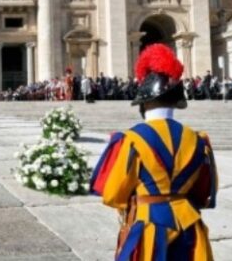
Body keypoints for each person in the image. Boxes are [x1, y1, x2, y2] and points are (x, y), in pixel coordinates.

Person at [90, 44, 218, 261]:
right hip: (189, 224)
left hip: (149, 227)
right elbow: (205, 192)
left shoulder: (131, 139)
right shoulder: (199, 140)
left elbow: (113, 194)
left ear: (143, 105)